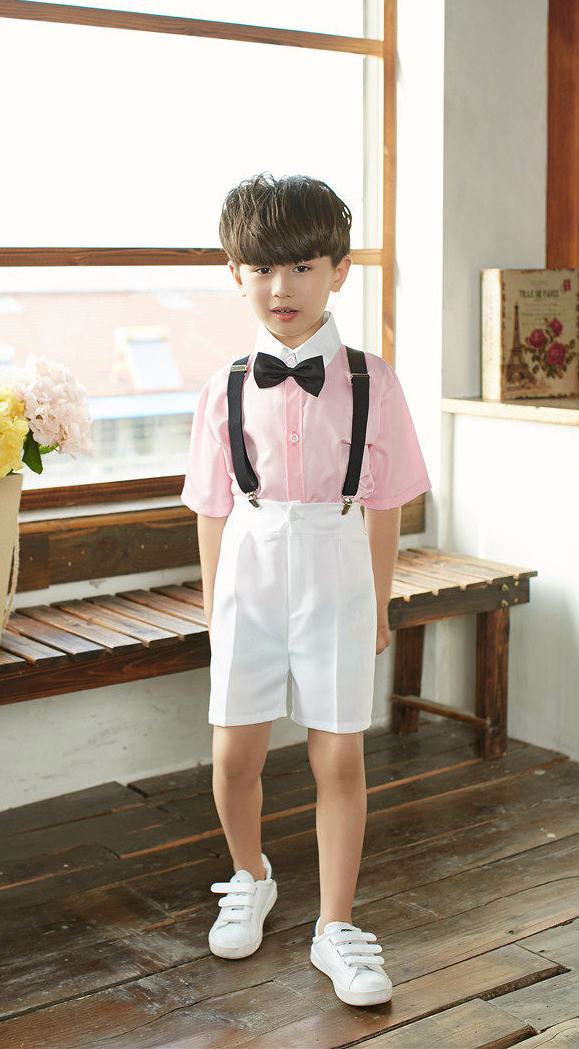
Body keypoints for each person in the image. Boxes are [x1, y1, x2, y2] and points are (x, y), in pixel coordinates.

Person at [180, 172, 431, 1007]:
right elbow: (212, 506)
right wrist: (215, 608)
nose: (280, 287)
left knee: (339, 753)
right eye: (261, 268)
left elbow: (386, 502)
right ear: (235, 274)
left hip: (335, 560)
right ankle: (249, 875)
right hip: (248, 564)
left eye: (301, 267)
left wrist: (378, 603)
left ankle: (335, 925)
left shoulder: (371, 381)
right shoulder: (222, 386)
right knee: (233, 754)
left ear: (337, 272)